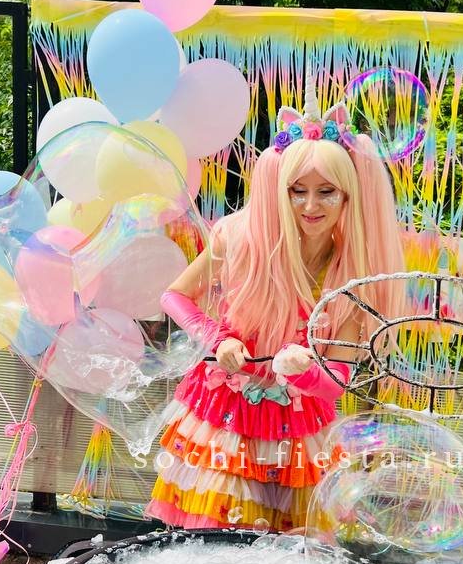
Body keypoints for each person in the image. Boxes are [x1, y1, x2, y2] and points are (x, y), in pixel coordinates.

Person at [147, 94, 403, 531]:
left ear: (348, 196)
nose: (310, 206)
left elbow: (336, 382)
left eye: (326, 192)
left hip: (298, 430)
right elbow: (174, 296)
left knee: (293, 545)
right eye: (297, 191)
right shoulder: (240, 240)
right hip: (225, 416)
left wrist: (305, 372)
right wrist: (218, 339)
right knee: (221, 538)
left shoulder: (351, 277)